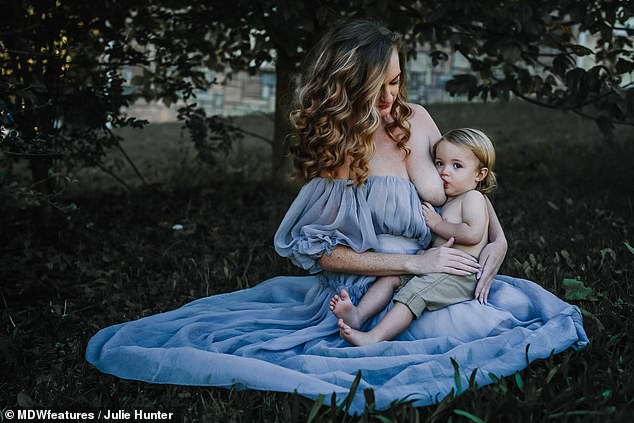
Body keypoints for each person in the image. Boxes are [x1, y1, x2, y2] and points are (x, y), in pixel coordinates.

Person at [86, 20, 588, 414]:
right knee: (437, 336)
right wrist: (414, 265)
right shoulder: (342, 152)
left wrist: (496, 243)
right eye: (379, 86)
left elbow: (464, 185)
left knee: (493, 319)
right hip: (384, 280)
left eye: (396, 80)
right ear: (347, 85)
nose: (393, 98)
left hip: (440, 265)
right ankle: (371, 328)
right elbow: (325, 253)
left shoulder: (416, 120)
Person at [332, 128, 497, 346]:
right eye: (439, 163)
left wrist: (438, 224)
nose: (444, 172)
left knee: (415, 293)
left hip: (459, 275)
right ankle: (358, 315)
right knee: (390, 278)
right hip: (438, 269)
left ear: (480, 174)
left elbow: (473, 233)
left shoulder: (473, 198)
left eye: (457, 166)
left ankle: (374, 337)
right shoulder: (450, 199)